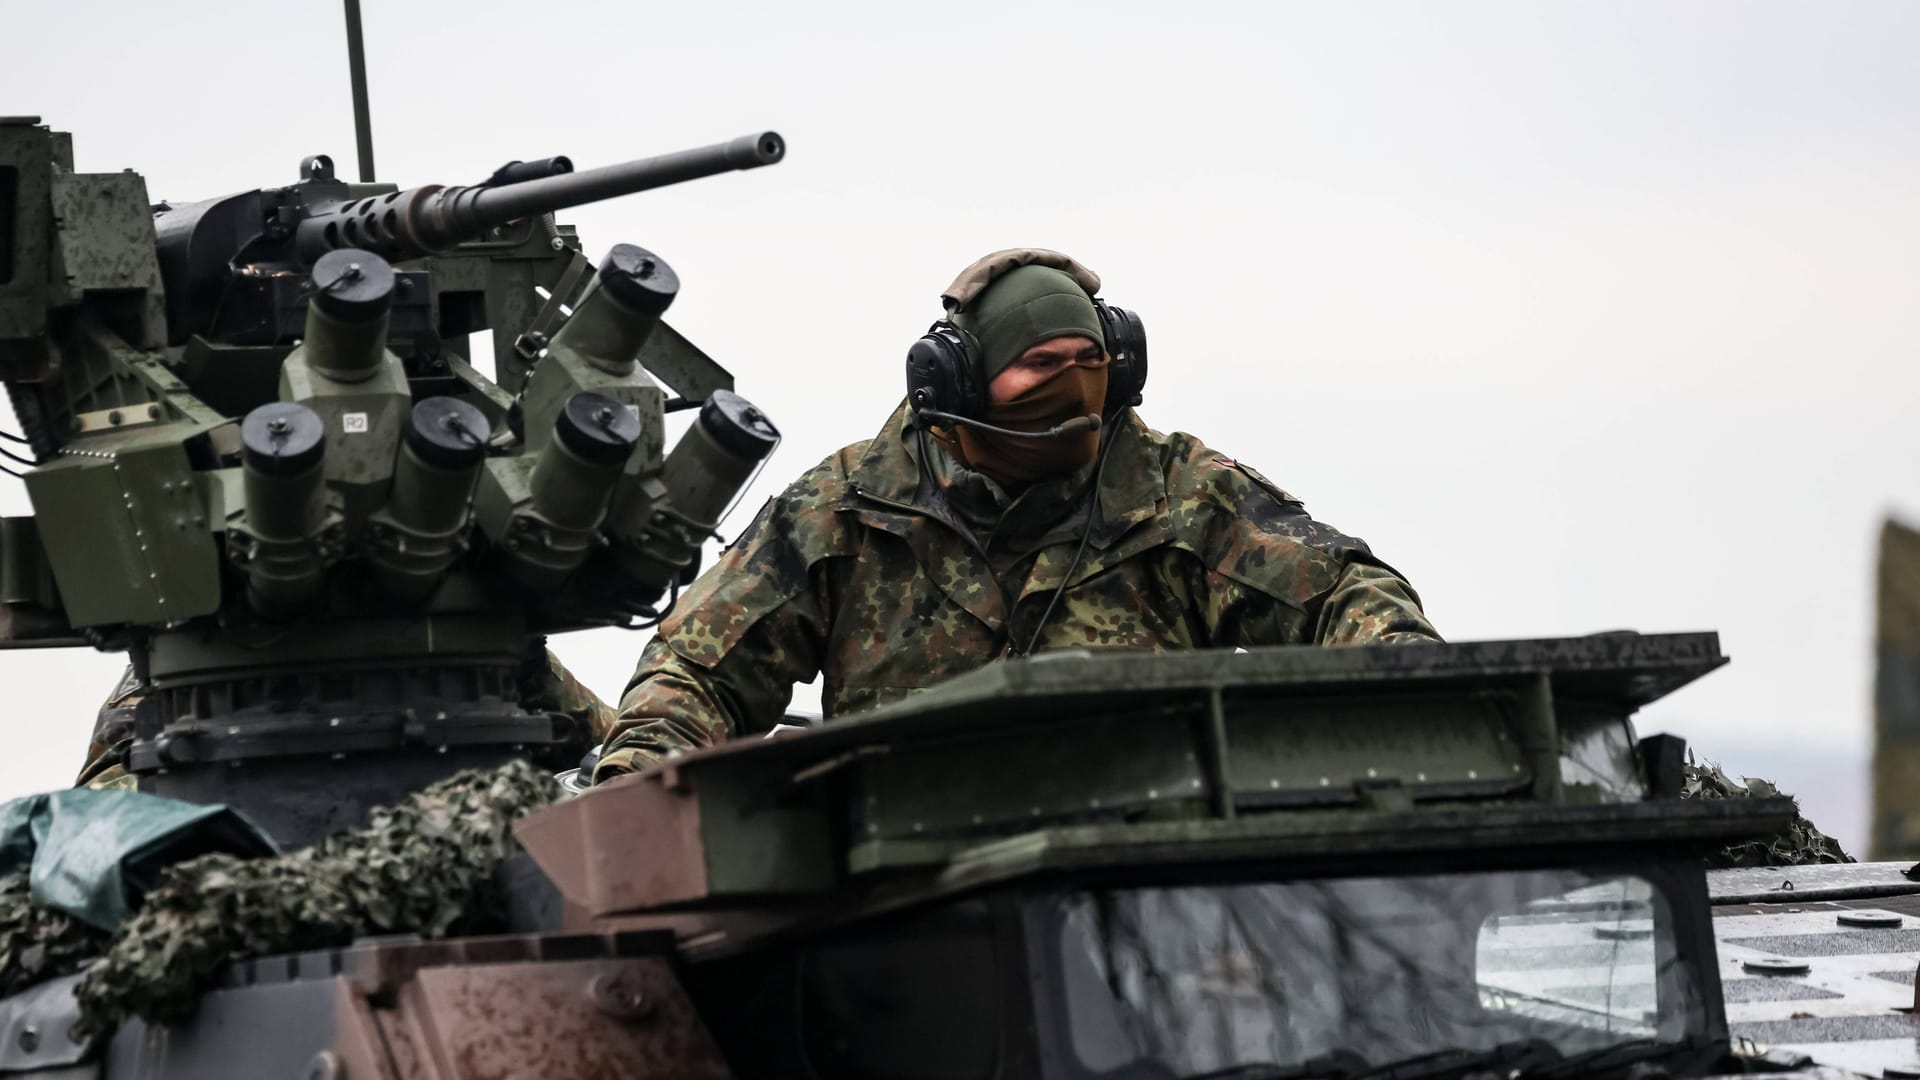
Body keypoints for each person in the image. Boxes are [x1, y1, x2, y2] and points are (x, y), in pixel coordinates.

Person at [590, 248, 1440, 783]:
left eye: (1089, 362)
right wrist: (641, 785)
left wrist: (1412, 697)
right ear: (956, 382)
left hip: (1154, 881)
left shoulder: (1182, 495)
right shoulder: (847, 511)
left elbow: (1343, 595)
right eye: (1039, 364)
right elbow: (695, 674)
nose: (1071, 387)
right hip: (907, 891)